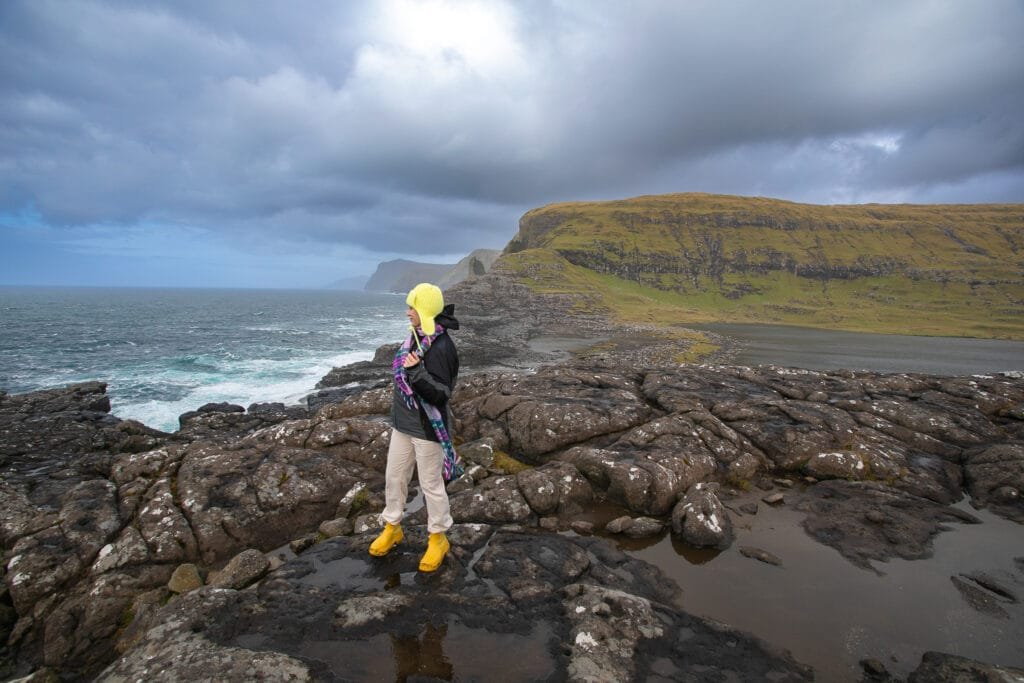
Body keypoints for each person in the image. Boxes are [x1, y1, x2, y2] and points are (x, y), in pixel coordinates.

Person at [369, 282, 462, 572]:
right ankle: (392, 526)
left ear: (425, 310)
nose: (408, 312)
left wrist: (416, 372)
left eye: (412, 307)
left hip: (427, 428)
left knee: (431, 486)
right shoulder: (416, 337)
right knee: (393, 478)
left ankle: (438, 538)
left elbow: (442, 394)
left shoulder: (443, 346)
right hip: (403, 424)